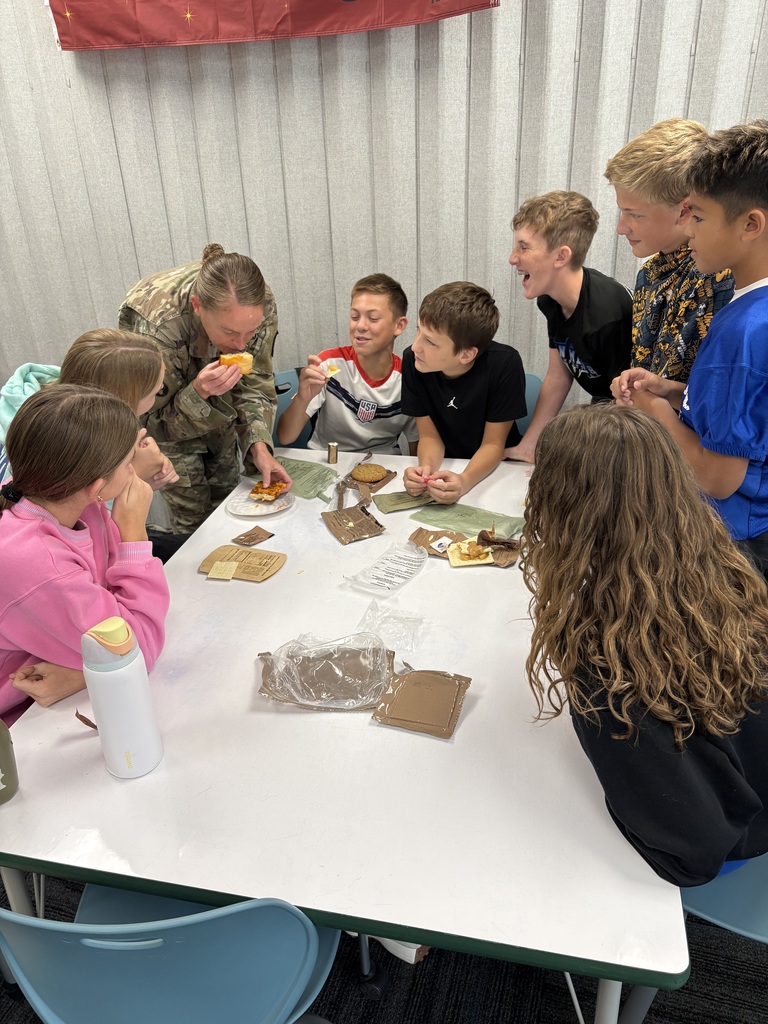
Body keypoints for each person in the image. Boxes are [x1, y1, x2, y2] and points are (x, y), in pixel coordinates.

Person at [521, 404, 768, 887]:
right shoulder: (736, 568)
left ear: (556, 508)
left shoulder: (605, 659)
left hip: (734, 839)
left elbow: (694, 853)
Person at [613, 120, 768, 578]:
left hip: (732, 539)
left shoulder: (741, 330)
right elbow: (744, 413)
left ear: (750, 224)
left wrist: (654, 412)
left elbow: (718, 477)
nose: (687, 227)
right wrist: (675, 393)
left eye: (696, 215)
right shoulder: (748, 316)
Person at [0, 386, 170, 726]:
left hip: (53, 685)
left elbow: (112, 603)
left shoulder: (68, 501)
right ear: (97, 488)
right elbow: (139, 648)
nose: (134, 471)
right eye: (127, 463)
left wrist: (81, 673)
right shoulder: (39, 564)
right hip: (25, 723)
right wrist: (135, 534)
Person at [118, 243, 291, 533]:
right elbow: (147, 422)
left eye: (250, 333)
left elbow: (254, 385)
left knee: (230, 507)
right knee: (195, 526)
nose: (241, 344)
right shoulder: (156, 327)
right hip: (166, 423)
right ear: (198, 306)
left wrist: (258, 447)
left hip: (219, 418)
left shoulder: (257, 305)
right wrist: (197, 394)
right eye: (230, 332)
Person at [505, 191, 632, 463]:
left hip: (629, 423)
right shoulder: (549, 300)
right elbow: (559, 375)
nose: (513, 258)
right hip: (607, 407)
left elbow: (629, 405)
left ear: (561, 256)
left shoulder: (606, 315)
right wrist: (530, 445)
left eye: (524, 247)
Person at [604, 118, 733, 381]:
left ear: (685, 210)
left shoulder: (715, 276)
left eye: (635, 215)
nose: (621, 228)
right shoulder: (650, 273)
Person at [0, 330, 176, 491]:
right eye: (156, 392)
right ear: (123, 399)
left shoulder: (75, 400)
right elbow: (84, 517)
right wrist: (135, 476)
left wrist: (142, 472)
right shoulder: (58, 444)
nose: (160, 391)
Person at [401, 281, 526, 504]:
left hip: (497, 471)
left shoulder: (505, 364)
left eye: (430, 341)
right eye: (418, 330)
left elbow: (493, 444)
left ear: (466, 355)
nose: (415, 347)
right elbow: (429, 436)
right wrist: (425, 472)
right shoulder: (414, 361)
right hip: (447, 465)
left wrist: (465, 481)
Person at [276, 274, 418, 455]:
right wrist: (302, 399)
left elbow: (417, 451)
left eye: (373, 318)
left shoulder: (409, 380)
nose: (360, 326)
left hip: (385, 467)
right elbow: (285, 437)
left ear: (399, 325)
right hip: (327, 461)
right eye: (354, 316)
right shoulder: (329, 363)